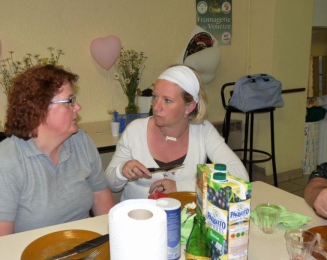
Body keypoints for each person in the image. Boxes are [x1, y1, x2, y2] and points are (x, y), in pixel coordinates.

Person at [0, 65, 115, 240]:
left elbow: (101, 198)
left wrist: (113, 242)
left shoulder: (80, 141)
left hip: (78, 249)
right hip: (24, 256)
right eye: (69, 101)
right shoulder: (4, 164)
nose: (78, 107)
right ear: (39, 109)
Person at [105, 65, 249, 201]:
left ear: (189, 107)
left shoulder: (203, 131)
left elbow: (240, 176)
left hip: (185, 217)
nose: (156, 107)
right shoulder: (135, 131)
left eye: (167, 100)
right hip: (139, 219)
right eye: (155, 97)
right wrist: (121, 171)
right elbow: (110, 184)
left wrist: (180, 187)